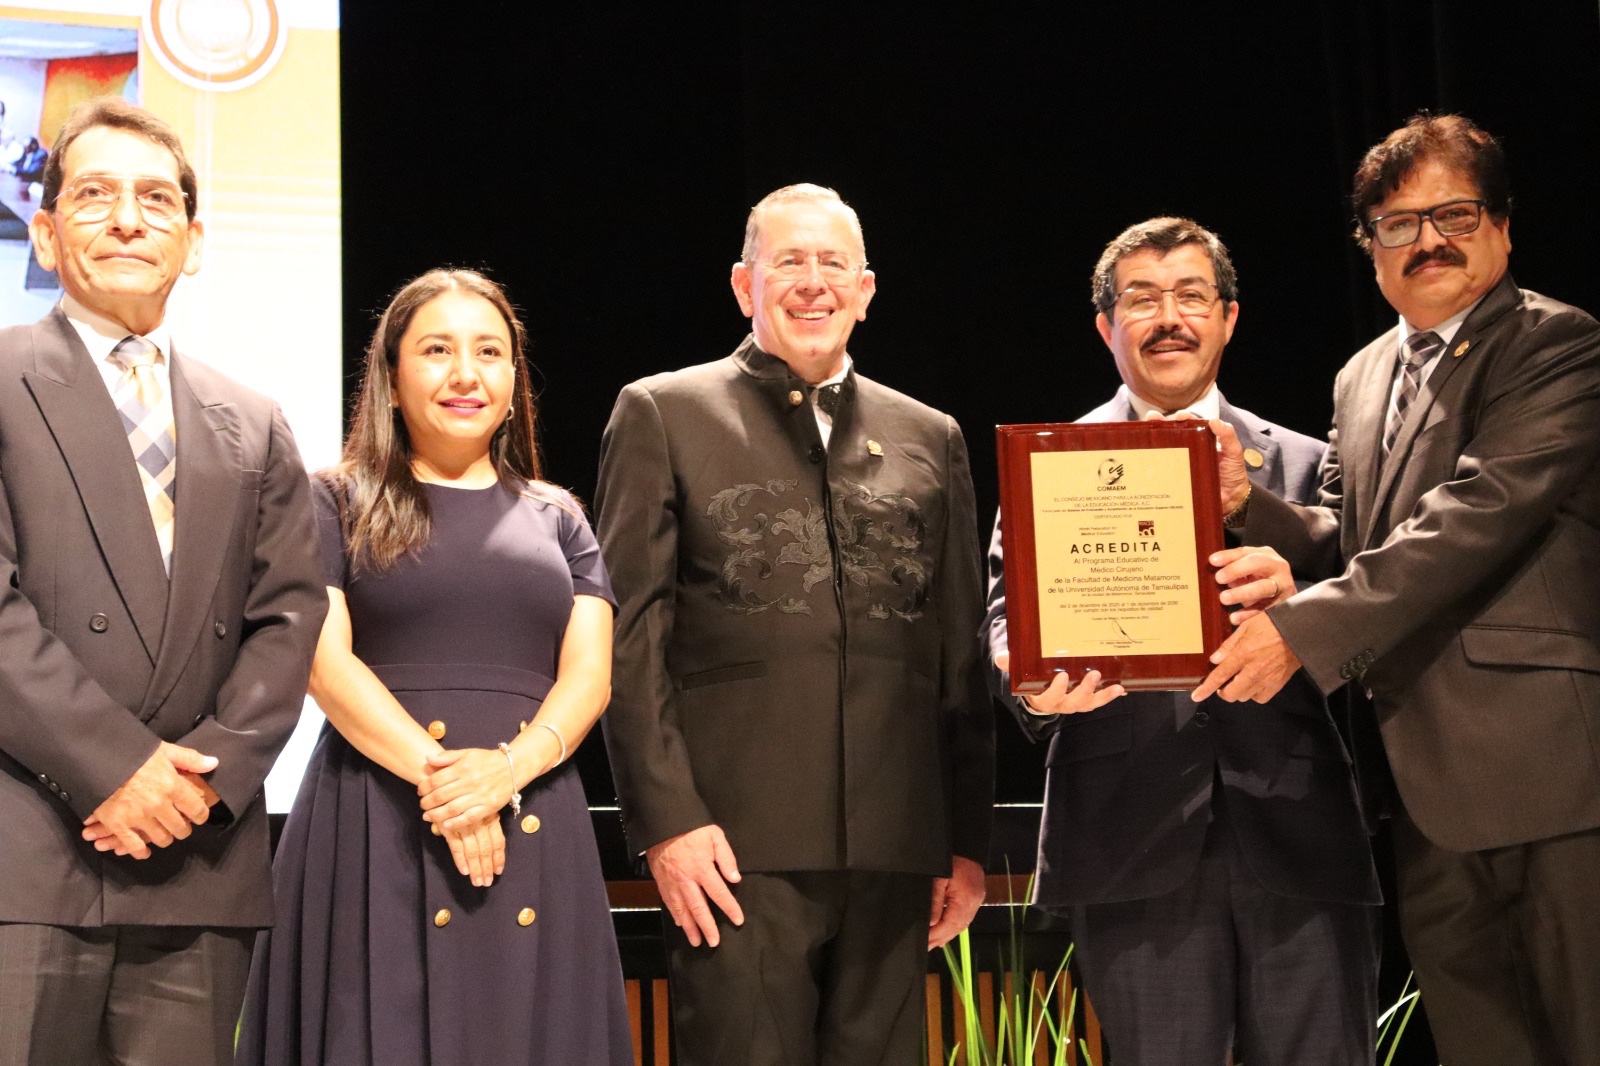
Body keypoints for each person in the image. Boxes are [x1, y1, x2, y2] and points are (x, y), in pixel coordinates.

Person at [1196, 114, 1600, 1065]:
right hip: (1417, 786)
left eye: (1454, 213)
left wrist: (1299, 631)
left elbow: (1475, 517)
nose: (1429, 241)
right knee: (1480, 1042)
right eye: (1398, 223)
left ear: (1503, 225)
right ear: (1369, 246)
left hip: (1544, 770)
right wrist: (1249, 503)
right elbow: (1353, 535)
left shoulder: (1557, 343)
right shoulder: (1362, 375)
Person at [595, 183, 994, 1065]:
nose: (814, 283)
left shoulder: (932, 435)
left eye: (833, 264)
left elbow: (957, 650)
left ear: (865, 289)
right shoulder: (664, 412)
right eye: (790, 262)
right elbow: (628, 639)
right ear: (745, 285)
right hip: (729, 847)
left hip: (898, 845)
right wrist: (666, 820)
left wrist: (965, 840)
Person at [984, 217, 1381, 1066]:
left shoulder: (1308, 463)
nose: (1169, 318)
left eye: (1192, 297)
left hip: (1299, 829)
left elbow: (1372, 611)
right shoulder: (1049, 465)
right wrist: (1026, 677)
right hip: (1127, 835)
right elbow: (1006, 621)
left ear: (1228, 318)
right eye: (1142, 299)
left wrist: (1297, 594)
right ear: (1106, 326)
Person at [237, 269, 633, 1064]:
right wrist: (453, 788)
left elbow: (589, 678)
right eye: (436, 350)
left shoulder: (560, 517)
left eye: (488, 352)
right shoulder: (332, 500)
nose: (465, 374)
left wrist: (506, 772)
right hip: (375, 812)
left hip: (533, 812)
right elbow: (324, 664)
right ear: (390, 377)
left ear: (513, 380)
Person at [0, 98, 326, 1065]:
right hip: (28, 849)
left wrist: (197, 785)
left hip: (199, 857)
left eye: (155, 199)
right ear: (46, 235)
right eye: (94, 196)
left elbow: (288, 617)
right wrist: (117, 770)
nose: (128, 220)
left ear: (193, 240)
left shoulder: (252, 419)